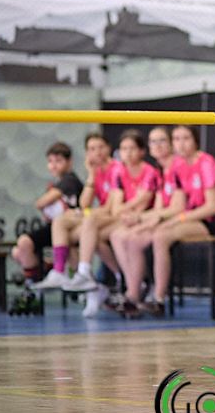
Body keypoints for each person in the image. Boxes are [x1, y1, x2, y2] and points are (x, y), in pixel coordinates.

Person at [135, 124, 215, 318]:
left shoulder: (206, 163)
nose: (180, 144)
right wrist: (158, 218)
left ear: (195, 140)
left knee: (161, 236)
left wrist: (179, 218)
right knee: (153, 234)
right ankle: (146, 290)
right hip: (187, 219)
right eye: (176, 139)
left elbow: (212, 207)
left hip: (209, 222)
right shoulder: (178, 166)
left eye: (185, 138)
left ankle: (158, 298)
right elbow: (177, 204)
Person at [69, 129, 160, 316]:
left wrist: (131, 211)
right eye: (124, 149)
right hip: (124, 217)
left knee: (106, 230)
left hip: (139, 220)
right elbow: (99, 205)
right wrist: (91, 175)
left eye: (132, 148)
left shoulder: (125, 169)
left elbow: (136, 204)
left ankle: (131, 283)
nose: (128, 153)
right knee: (94, 236)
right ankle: (119, 278)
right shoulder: (120, 173)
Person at [109, 126, 183, 315]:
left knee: (149, 237)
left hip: (183, 219)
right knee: (123, 236)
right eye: (153, 141)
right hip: (164, 217)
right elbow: (158, 207)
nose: (157, 145)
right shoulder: (161, 171)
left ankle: (154, 297)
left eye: (162, 141)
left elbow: (178, 208)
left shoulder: (176, 167)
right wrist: (144, 218)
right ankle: (134, 291)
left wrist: (143, 217)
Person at [32, 132, 113, 290]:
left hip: (110, 217)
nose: (97, 152)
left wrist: (84, 213)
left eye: (100, 147)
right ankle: (69, 275)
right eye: (91, 149)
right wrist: (91, 174)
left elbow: (111, 208)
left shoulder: (115, 169)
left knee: (71, 222)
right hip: (94, 217)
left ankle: (81, 274)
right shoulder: (96, 172)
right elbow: (84, 203)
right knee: (64, 230)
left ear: (109, 148)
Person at [9, 142, 83, 282]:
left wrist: (44, 201)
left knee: (24, 243)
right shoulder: (57, 182)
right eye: (50, 161)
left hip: (67, 228)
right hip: (53, 227)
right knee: (18, 251)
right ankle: (39, 277)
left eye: (58, 161)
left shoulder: (70, 181)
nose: (53, 165)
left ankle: (43, 276)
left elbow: (41, 202)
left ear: (69, 162)